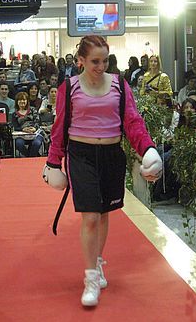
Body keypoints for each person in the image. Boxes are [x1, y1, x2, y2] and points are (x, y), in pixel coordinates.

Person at [42, 35, 162, 307]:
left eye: (105, 61)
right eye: (95, 61)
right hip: (81, 155)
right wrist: (53, 162)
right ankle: (91, 278)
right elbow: (59, 126)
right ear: (81, 61)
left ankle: (96, 260)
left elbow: (132, 121)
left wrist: (147, 148)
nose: (100, 66)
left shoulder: (120, 84)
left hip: (111, 154)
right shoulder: (69, 88)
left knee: (104, 213)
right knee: (91, 216)